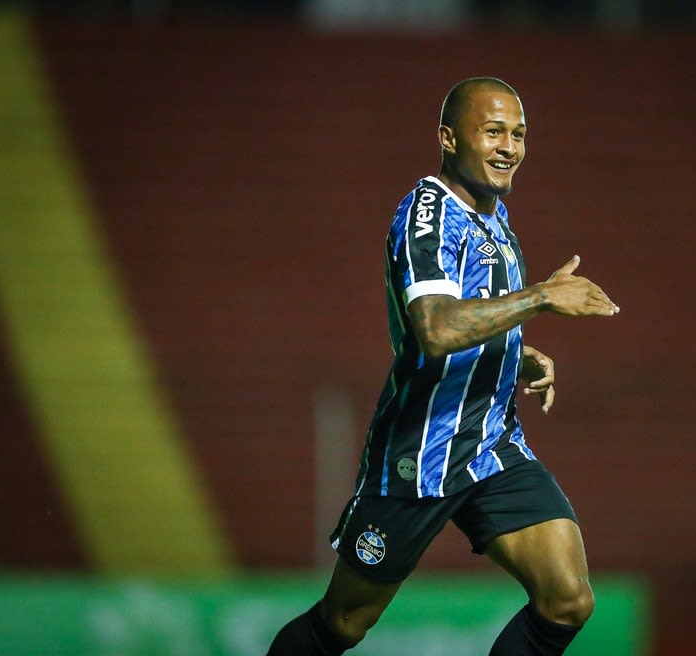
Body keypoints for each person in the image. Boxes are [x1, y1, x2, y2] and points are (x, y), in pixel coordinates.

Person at [265, 77, 620, 656]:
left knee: (567, 598)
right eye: (494, 132)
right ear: (449, 139)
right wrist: (540, 298)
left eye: (519, 134)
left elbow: (464, 318)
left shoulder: (494, 214)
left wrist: (515, 357)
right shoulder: (426, 213)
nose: (510, 147)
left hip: (491, 445)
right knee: (343, 622)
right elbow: (432, 330)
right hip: (419, 455)